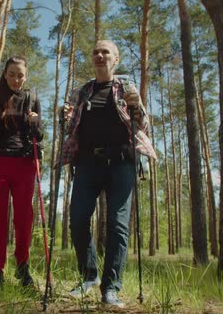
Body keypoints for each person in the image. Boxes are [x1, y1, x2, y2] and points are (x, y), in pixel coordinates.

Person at [60, 40, 156, 307]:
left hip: (121, 162)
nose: (100, 56)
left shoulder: (126, 88)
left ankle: (110, 288)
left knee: (117, 226)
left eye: (106, 53)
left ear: (116, 59)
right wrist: (64, 117)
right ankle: (89, 276)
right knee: (78, 220)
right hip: (87, 163)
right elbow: (70, 129)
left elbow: (143, 125)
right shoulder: (81, 92)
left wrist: (137, 106)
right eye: (96, 52)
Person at [0, 56, 43, 287]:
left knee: (24, 218)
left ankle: (22, 267)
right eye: (12, 74)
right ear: (5, 74)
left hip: (24, 162)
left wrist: (35, 123)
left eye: (20, 75)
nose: (16, 79)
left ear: (25, 77)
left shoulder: (31, 98)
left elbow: (39, 136)